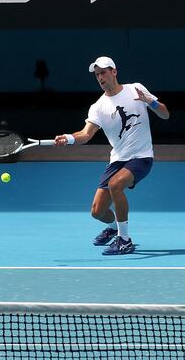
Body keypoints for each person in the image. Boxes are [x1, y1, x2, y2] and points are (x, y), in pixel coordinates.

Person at [54, 56, 170, 255]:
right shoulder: (98, 107)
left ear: (114, 72)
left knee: (115, 185)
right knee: (97, 212)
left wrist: (150, 102)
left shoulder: (136, 89)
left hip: (141, 156)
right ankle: (114, 227)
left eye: (103, 72)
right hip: (118, 159)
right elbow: (85, 134)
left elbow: (165, 114)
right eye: (97, 74)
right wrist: (68, 137)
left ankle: (124, 240)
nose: (100, 77)